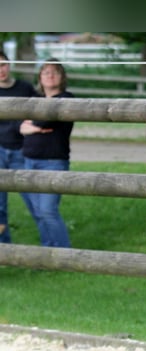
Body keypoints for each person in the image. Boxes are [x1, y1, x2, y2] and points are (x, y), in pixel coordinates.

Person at [19, 58, 73, 248]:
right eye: (46, 72)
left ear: (62, 77)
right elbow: (21, 127)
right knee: (37, 211)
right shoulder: (35, 100)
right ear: (40, 77)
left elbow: (46, 121)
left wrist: (33, 125)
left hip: (53, 162)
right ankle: (47, 252)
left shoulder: (67, 98)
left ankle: (64, 254)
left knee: (48, 210)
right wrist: (33, 127)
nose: (50, 76)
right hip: (29, 161)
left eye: (55, 72)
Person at [0, 50, 37, 243]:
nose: (1, 70)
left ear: (10, 65)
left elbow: (40, 111)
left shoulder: (25, 88)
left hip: (22, 151)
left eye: (3, 64)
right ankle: (4, 250)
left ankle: (52, 247)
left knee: (35, 201)